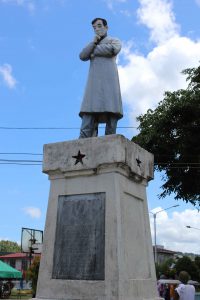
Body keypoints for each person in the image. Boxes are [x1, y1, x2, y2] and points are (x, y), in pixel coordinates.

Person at [79, 17, 123, 138]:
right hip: (94, 85)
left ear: (106, 27)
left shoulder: (115, 40)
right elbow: (82, 55)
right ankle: (82, 144)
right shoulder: (92, 43)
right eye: (94, 28)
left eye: (99, 26)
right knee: (88, 114)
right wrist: (93, 43)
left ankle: (110, 143)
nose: (97, 29)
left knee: (112, 115)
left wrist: (93, 51)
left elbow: (113, 49)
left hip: (110, 82)